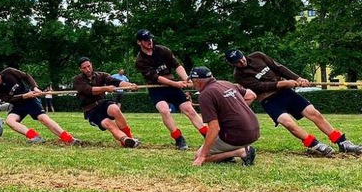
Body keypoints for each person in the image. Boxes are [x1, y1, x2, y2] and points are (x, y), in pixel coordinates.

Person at [226, 49, 362, 156]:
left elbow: (279, 68)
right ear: (232, 64)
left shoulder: (258, 56)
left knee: (314, 113)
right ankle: (315, 145)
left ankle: (342, 142)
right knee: (288, 123)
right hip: (269, 100)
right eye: (237, 62)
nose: (241, 61)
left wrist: (298, 78)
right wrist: (283, 83)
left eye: (241, 57)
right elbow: (260, 87)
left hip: (286, 93)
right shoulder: (239, 75)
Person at [134, 29, 208, 150]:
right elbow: (156, 78)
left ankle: (207, 135)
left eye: (150, 39)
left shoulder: (163, 50)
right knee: (164, 110)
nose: (149, 42)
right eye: (146, 40)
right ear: (139, 42)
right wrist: (176, 84)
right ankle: (179, 139)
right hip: (156, 88)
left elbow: (176, 65)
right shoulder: (140, 61)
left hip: (172, 85)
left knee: (189, 109)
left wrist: (187, 79)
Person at [0, 67, 81, 144]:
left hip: (30, 100)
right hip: (18, 104)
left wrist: (35, 88)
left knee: (43, 119)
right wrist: (24, 96)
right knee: (10, 121)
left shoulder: (9, 72)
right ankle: (34, 137)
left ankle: (68, 139)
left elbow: (26, 76)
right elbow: (9, 99)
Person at [188, 67, 259, 166]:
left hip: (237, 136)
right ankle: (237, 149)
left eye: (192, 81)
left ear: (197, 81)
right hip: (254, 132)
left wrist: (201, 157)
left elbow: (214, 127)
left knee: (199, 155)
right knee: (213, 143)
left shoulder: (205, 95)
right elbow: (251, 95)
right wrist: (235, 111)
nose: (192, 85)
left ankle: (241, 152)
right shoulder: (227, 83)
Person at [73, 57, 140, 148]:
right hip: (90, 109)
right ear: (80, 69)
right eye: (84, 68)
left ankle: (130, 138)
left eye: (89, 66)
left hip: (103, 103)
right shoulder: (77, 80)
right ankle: (125, 140)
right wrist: (106, 88)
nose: (87, 69)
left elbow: (115, 82)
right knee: (107, 123)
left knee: (115, 109)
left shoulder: (101, 75)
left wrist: (130, 85)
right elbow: (89, 90)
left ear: (91, 65)